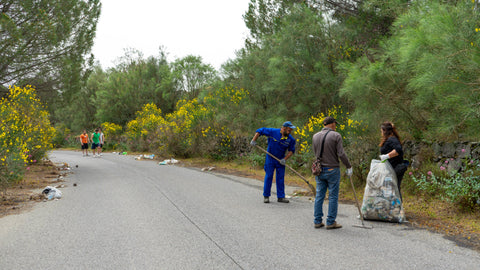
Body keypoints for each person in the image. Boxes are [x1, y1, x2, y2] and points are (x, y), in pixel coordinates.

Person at [312, 116, 353, 230]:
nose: (336, 126)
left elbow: (315, 152)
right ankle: (330, 222)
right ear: (332, 124)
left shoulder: (315, 136)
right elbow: (341, 153)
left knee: (319, 195)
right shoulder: (336, 135)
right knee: (333, 196)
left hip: (319, 170)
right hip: (332, 169)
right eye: (335, 123)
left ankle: (317, 221)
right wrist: (348, 166)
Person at [250, 121, 297, 203]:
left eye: (291, 131)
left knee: (280, 178)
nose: (290, 132)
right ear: (283, 128)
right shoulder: (273, 132)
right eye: (289, 130)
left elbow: (291, 151)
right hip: (270, 159)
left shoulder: (291, 139)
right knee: (269, 176)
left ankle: (281, 197)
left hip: (280, 161)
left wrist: (285, 159)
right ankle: (266, 196)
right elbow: (260, 130)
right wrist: (254, 140)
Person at [379, 121, 408, 201]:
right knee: (392, 189)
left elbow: (398, 150)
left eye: (381, 130)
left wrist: (387, 156)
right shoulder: (390, 139)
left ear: (385, 131)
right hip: (392, 168)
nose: (381, 132)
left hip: (396, 168)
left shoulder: (392, 139)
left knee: (394, 189)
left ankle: (397, 210)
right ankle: (393, 209)